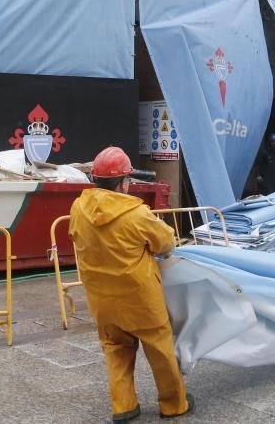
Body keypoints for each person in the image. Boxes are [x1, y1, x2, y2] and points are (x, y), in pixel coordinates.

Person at [69, 146, 192, 421]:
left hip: (101, 300)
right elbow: (166, 242)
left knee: (116, 350)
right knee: (160, 349)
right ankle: (174, 404)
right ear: (124, 182)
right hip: (139, 297)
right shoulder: (136, 214)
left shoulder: (78, 208)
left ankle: (124, 406)